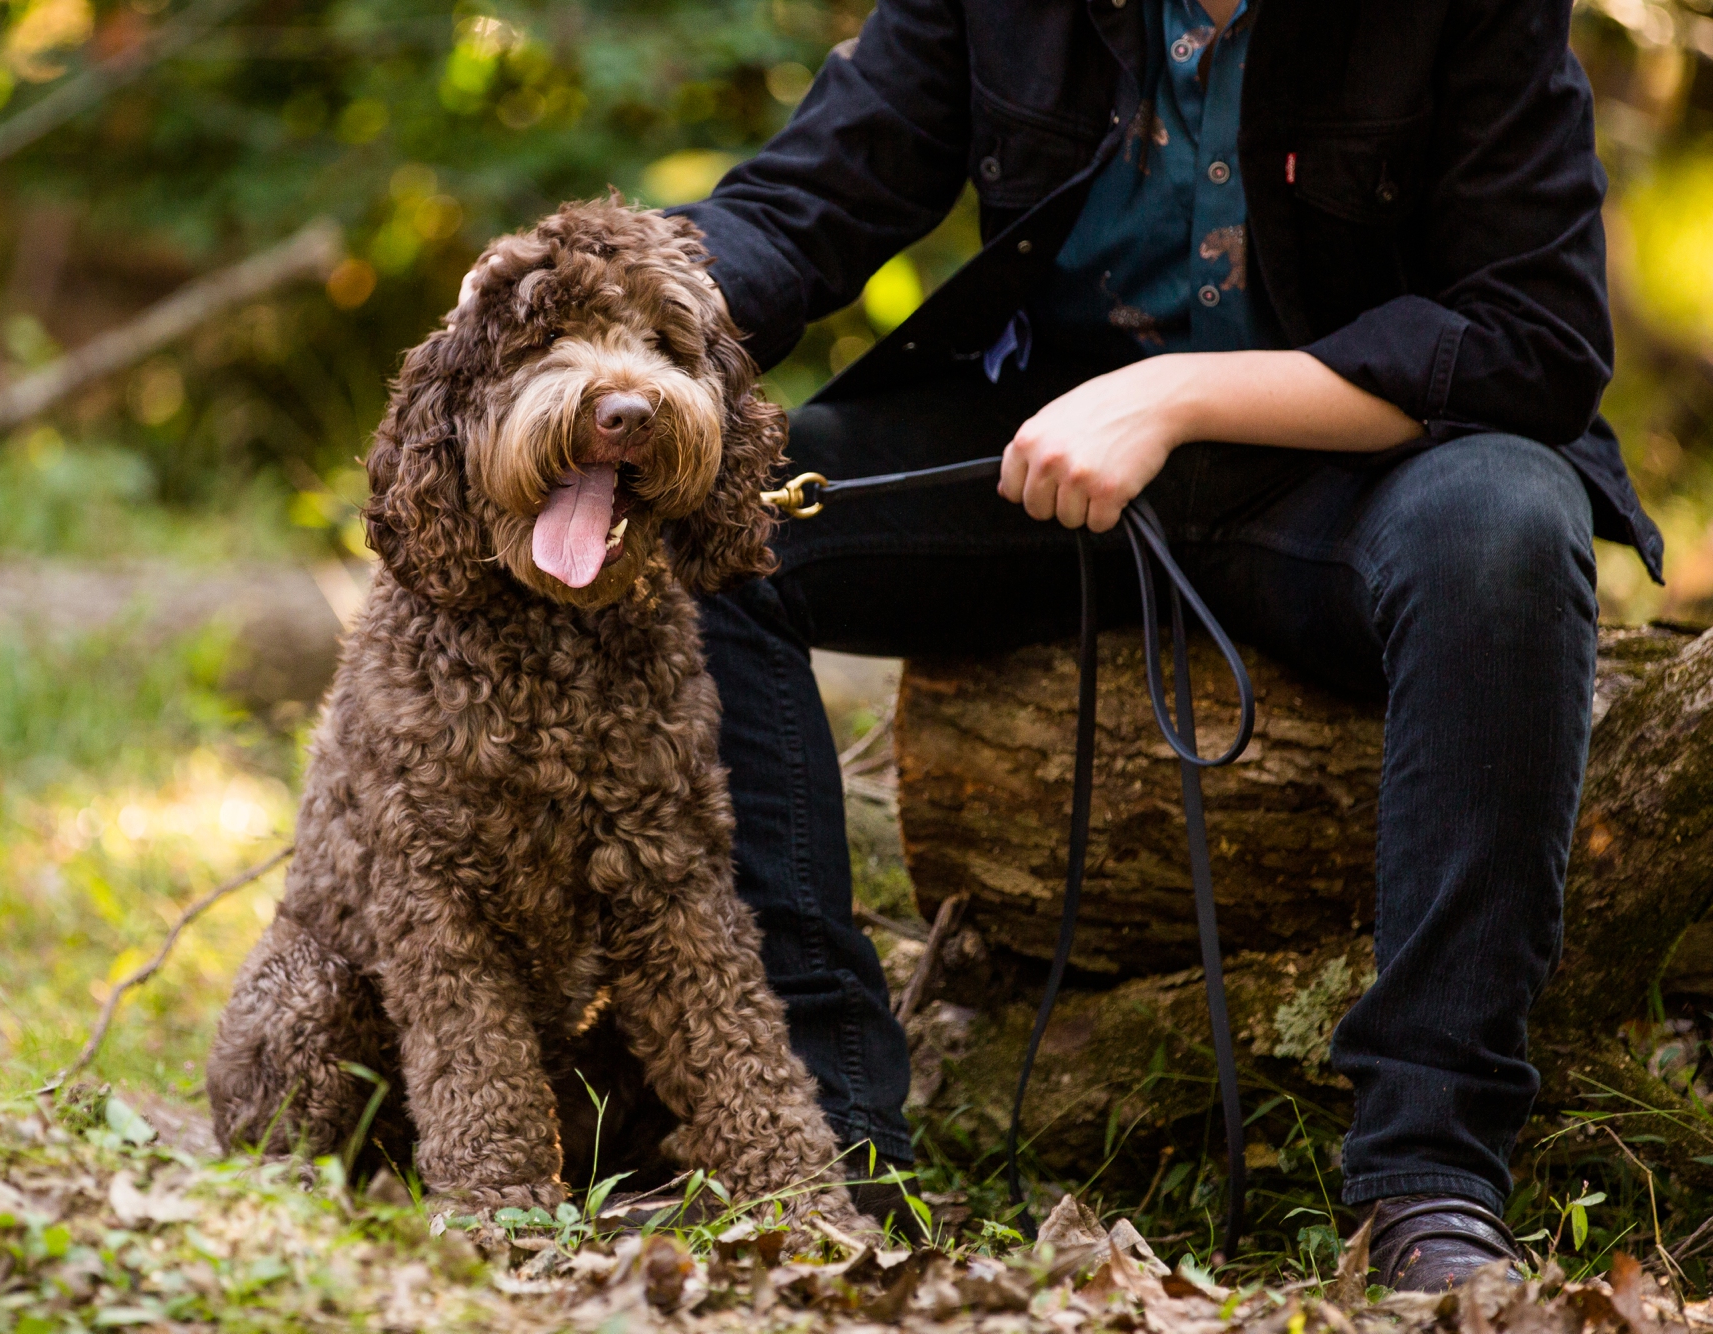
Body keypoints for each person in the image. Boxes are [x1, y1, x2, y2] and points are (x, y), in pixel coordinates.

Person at [666, 0, 1663, 1292]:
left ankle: (1428, 1174)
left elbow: (1538, 337)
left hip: (1361, 466)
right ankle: (823, 1127)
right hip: (1055, 458)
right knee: (712, 514)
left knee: (1513, 522)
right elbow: (809, 200)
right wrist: (604, 307)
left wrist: (1176, 395)